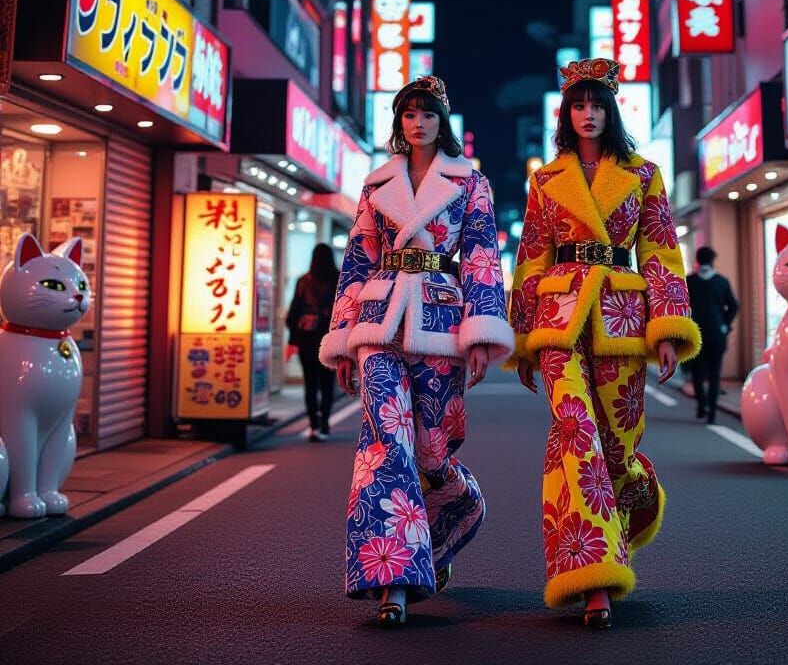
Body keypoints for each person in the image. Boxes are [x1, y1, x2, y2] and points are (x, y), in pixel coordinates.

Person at [508, 57, 701, 630]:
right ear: (565, 114)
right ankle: (594, 583)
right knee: (576, 432)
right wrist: (522, 339)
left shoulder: (643, 175)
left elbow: (662, 253)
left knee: (616, 451)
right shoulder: (545, 179)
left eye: (597, 105)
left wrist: (667, 329)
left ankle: (633, 504)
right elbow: (530, 258)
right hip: (558, 319)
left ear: (611, 110)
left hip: (622, 318)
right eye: (578, 105)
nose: (588, 114)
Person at [319, 75, 514, 627]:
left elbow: (481, 259)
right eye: (408, 114)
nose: (417, 122)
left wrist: (481, 333)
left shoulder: (470, 182)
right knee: (386, 447)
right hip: (379, 322)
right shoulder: (375, 183)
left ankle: (459, 506)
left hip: (442, 321)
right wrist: (340, 339)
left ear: (441, 120)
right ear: (399, 123)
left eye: (427, 113)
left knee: (430, 452)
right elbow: (357, 260)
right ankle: (392, 579)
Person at [286, 242, 340, 441]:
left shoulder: (303, 281)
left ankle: (313, 426)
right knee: (327, 384)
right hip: (329, 338)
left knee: (310, 383)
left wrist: (292, 340)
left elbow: (294, 312)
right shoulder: (338, 279)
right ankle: (325, 423)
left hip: (306, 338)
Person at [686, 246, 739, 425]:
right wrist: (725, 323)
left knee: (697, 373)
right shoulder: (721, 282)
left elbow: (682, 307)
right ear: (713, 260)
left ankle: (702, 405)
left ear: (698, 260)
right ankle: (712, 412)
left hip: (695, 334)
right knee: (715, 374)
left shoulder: (689, 281)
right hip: (717, 334)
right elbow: (734, 306)